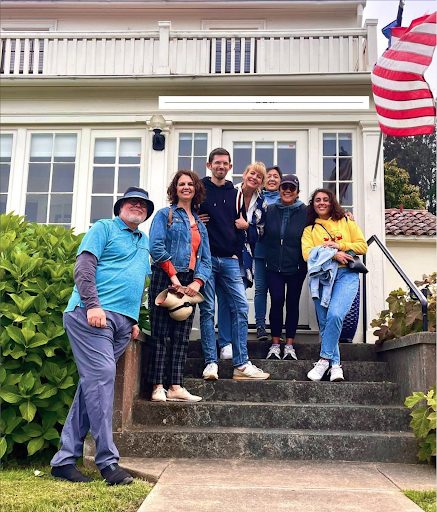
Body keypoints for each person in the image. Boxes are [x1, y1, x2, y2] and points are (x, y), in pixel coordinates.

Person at [51, 187, 154, 485]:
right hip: (92, 315)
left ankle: (64, 460)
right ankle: (108, 463)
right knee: (102, 378)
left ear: (146, 212)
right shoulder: (104, 228)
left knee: (92, 387)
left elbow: (136, 281)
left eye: (142, 204)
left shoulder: (143, 240)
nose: (137, 206)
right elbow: (83, 268)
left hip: (122, 323)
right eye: (131, 202)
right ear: (120, 207)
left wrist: (133, 319)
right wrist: (92, 305)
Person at [198, 148, 269, 381]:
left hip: (230, 259)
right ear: (209, 165)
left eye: (225, 163)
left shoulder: (234, 192)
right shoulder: (199, 189)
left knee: (240, 307)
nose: (220, 166)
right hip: (206, 259)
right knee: (208, 310)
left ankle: (241, 363)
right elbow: (185, 212)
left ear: (230, 167)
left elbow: (241, 223)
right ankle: (211, 362)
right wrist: (195, 219)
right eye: (216, 162)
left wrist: (238, 252)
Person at [148, 171, 212, 402]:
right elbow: (155, 246)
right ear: (175, 189)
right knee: (160, 334)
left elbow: (205, 259)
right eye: (181, 184)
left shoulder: (200, 225)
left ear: (196, 189)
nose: (186, 187)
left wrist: (197, 282)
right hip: (165, 277)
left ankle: (176, 386)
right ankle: (157, 386)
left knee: (182, 336)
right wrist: (174, 278)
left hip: (189, 283)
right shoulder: (164, 215)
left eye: (190, 184)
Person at [302, 188, 368, 382]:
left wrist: (340, 246)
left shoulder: (346, 221)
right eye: (317, 200)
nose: (321, 203)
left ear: (332, 202)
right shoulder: (310, 230)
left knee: (335, 315)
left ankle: (323, 360)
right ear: (313, 205)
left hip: (346, 275)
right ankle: (336, 366)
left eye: (325, 199)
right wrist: (333, 254)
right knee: (325, 323)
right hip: (321, 278)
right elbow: (307, 254)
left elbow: (362, 246)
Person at [217, 161, 267, 359]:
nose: (254, 178)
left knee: (237, 301)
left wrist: (247, 226)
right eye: (252, 173)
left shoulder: (262, 202)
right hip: (224, 251)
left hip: (245, 256)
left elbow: (261, 232)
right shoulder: (230, 192)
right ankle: (225, 343)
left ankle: (235, 344)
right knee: (224, 299)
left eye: (259, 177)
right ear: (244, 174)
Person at [262, 174, 307, 360]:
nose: (287, 191)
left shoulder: (306, 211)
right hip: (273, 265)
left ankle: (289, 345)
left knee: (293, 303)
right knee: (277, 301)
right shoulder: (269, 209)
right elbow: (254, 225)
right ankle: (275, 344)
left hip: (296, 265)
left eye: (292, 188)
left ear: (297, 191)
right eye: (284, 187)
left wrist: (345, 215)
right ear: (279, 189)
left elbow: (326, 219)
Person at [253, 165, 282, 340]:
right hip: (259, 250)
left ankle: (277, 329)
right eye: (269, 176)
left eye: (276, 176)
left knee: (277, 292)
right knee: (260, 289)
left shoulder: (286, 199)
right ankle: (260, 326)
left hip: (279, 253)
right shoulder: (256, 198)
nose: (272, 179)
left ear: (280, 181)